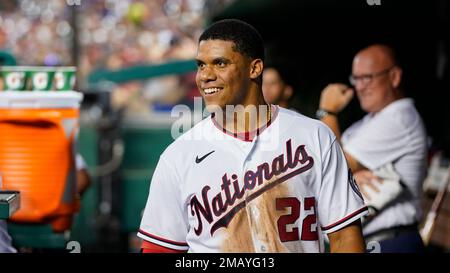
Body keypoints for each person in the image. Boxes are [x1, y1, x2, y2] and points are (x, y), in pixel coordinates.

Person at [138, 19, 367, 253]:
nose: (205, 75)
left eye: (219, 63)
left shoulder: (314, 136)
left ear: (255, 68)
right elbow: (158, 249)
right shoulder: (178, 155)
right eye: (200, 65)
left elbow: (346, 238)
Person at [317, 44, 428, 252]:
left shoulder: (399, 117)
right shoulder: (369, 121)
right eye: (355, 79)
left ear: (394, 76)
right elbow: (330, 167)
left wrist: (327, 112)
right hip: (371, 241)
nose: (359, 86)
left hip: (391, 243)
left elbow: (332, 164)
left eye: (367, 77)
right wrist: (349, 178)